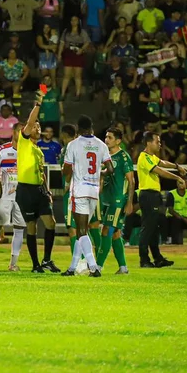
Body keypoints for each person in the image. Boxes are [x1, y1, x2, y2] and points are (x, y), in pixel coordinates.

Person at [61, 115, 111, 277]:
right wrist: (99, 173)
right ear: (91, 127)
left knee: (81, 231)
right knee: (82, 230)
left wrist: (66, 173)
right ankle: (72, 267)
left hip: (80, 191)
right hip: (94, 191)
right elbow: (110, 169)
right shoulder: (101, 145)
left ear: (79, 129)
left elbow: (67, 170)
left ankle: (93, 266)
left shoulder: (73, 145)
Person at [15, 93, 59, 273]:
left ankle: (47, 259)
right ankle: (35, 264)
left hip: (39, 190)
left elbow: (42, 172)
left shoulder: (37, 149)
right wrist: (38, 105)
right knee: (31, 226)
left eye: (39, 126)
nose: (37, 128)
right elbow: (30, 122)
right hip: (25, 190)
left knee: (51, 223)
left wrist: (47, 191)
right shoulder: (23, 142)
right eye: (35, 126)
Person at [137, 132, 187, 268]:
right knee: (148, 228)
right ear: (148, 143)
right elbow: (159, 170)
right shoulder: (144, 157)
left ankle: (158, 258)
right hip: (148, 195)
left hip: (153, 195)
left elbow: (163, 163)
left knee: (153, 228)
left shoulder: (151, 157)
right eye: (157, 142)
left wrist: (177, 166)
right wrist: (177, 177)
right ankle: (144, 260)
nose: (160, 144)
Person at [98, 128, 134, 274]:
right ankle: (123, 268)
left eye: (110, 137)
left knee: (106, 230)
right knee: (116, 233)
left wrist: (129, 202)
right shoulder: (104, 156)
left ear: (118, 141)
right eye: (106, 137)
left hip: (118, 200)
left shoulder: (123, 157)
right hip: (106, 199)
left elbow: (131, 181)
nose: (106, 140)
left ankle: (98, 267)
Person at [0, 128, 24, 271]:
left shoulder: (29, 150)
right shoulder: (2, 150)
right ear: (14, 133)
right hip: (5, 194)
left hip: (21, 196)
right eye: (19, 131)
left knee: (20, 228)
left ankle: (13, 264)